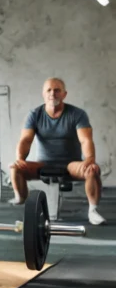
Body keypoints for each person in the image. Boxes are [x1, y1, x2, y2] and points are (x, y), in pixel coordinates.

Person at [10, 78, 105, 225]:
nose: (52, 94)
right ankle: (21, 197)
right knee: (15, 168)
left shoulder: (77, 114)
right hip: (43, 164)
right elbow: (25, 140)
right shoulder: (34, 114)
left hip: (71, 165)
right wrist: (20, 158)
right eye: (49, 90)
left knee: (92, 170)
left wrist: (89, 159)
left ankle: (93, 211)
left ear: (64, 94)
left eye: (57, 90)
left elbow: (85, 140)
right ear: (43, 94)